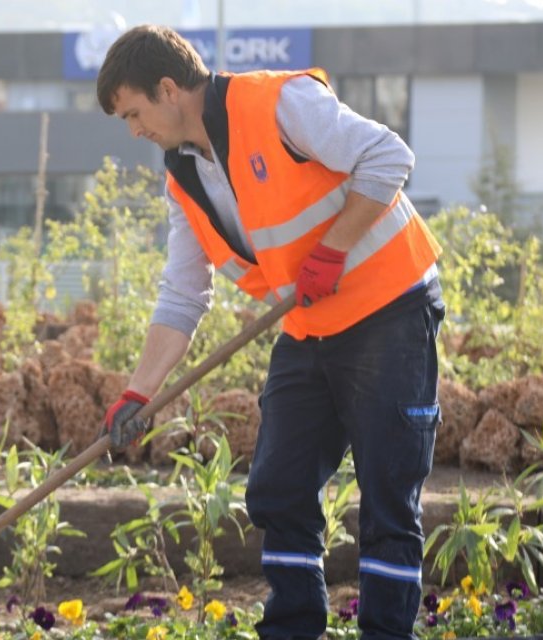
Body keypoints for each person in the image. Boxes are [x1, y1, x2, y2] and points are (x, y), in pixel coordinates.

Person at [95, 25, 445, 640]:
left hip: (388, 308)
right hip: (309, 325)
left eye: (134, 113)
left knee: (388, 495)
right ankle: (292, 631)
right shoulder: (184, 177)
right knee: (279, 487)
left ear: (169, 89)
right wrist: (138, 394)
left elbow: (390, 156)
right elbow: (183, 293)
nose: (134, 130)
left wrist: (333, 249)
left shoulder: (277, 103)